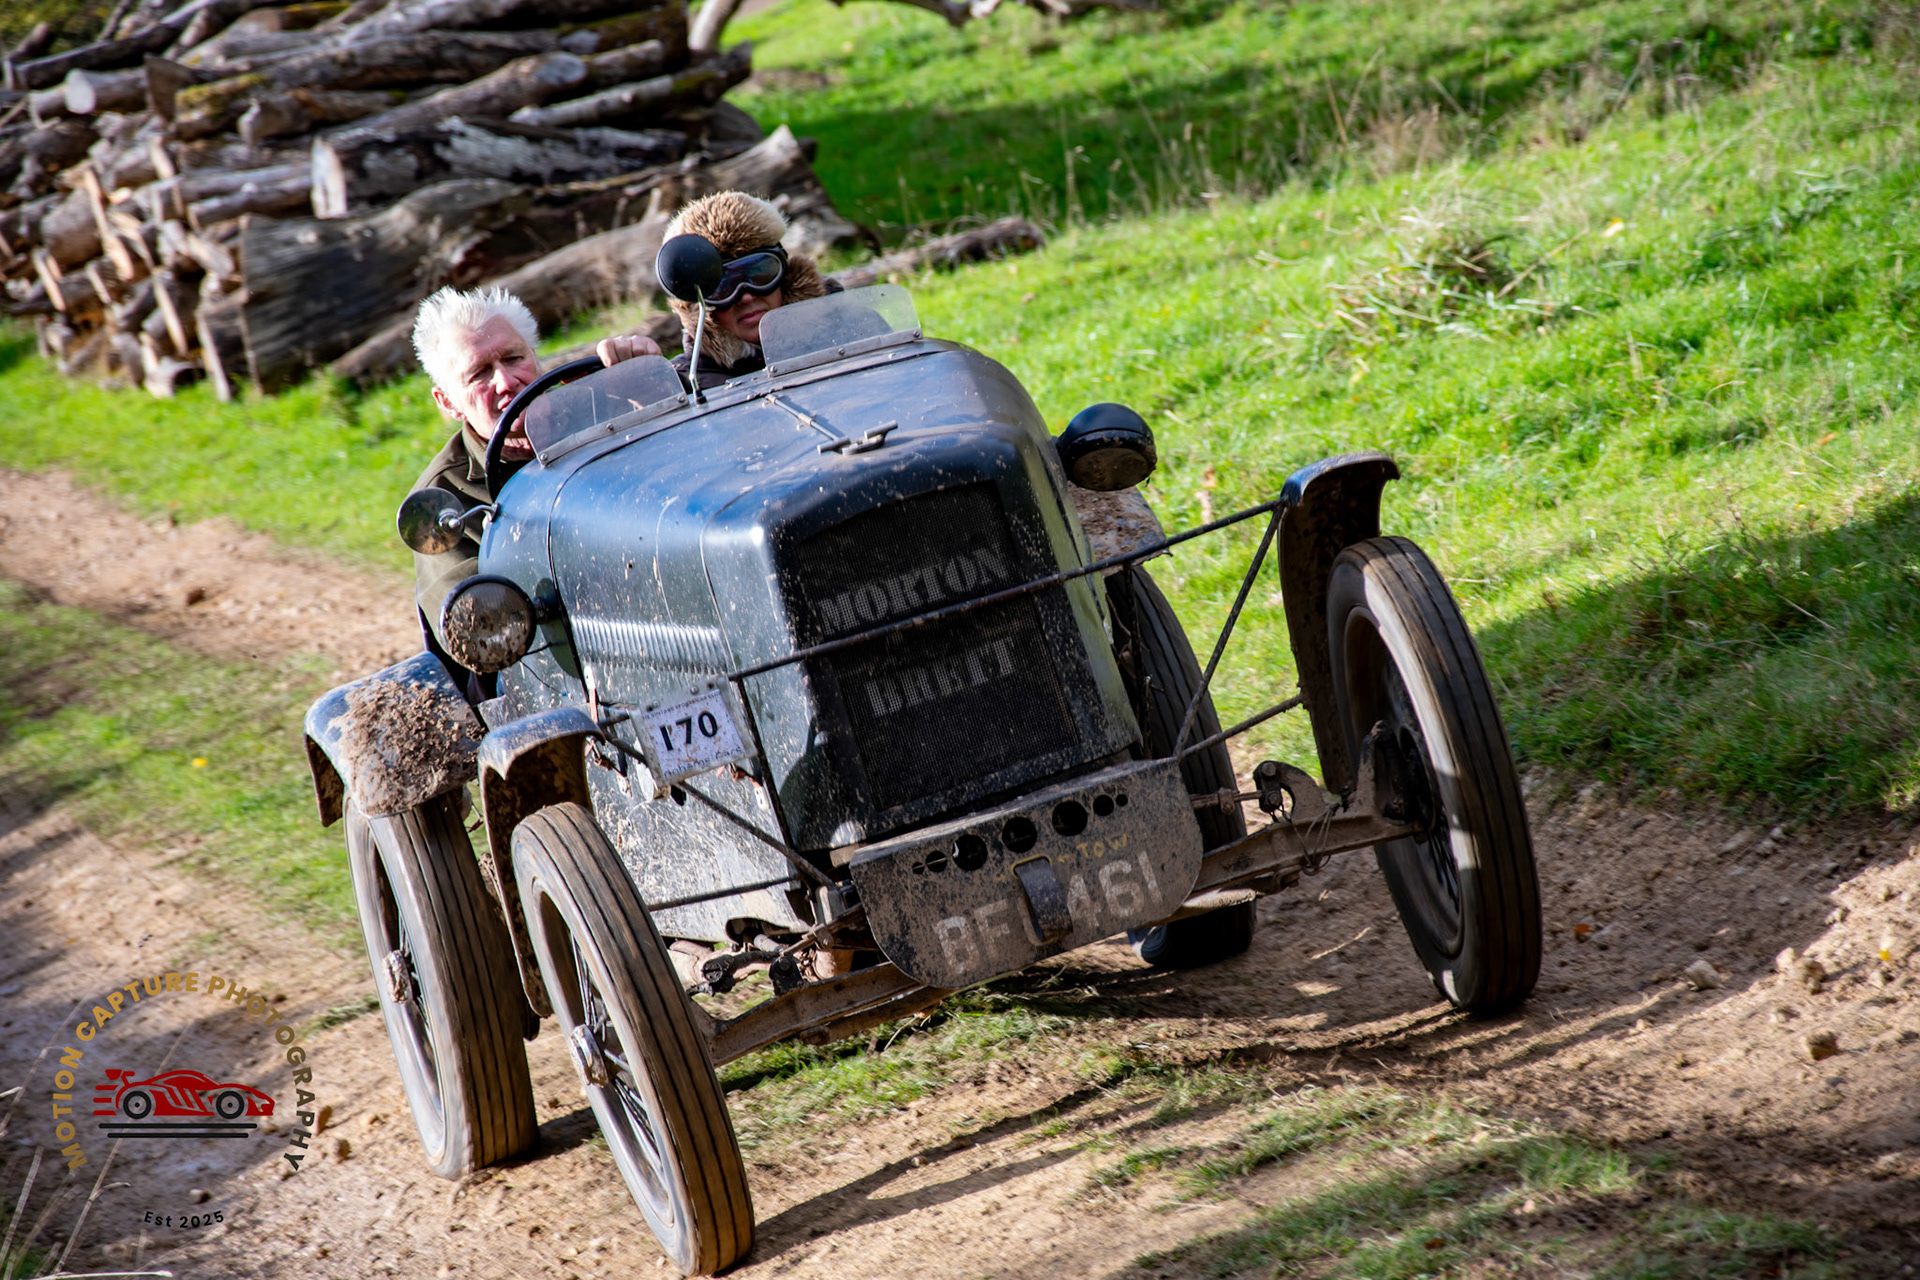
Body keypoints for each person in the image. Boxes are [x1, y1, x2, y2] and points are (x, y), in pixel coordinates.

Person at [607, 189, 837, 389]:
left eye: (760, 273)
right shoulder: (688, 385)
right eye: (722, 286)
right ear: (697, 305)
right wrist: (649, 384)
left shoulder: (844, 327)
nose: (746, 296)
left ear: (785, 277)